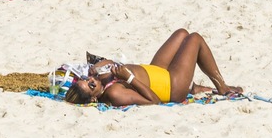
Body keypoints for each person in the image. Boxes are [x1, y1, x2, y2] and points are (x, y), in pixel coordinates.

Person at [63, 30, 241, 105]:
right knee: (195, 39)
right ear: (94, 98)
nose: (92, 80)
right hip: (171, 86)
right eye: (91, 85)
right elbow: (153, 101)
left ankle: (194, 87)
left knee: (181, 33)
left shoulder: (100, 79)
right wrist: (129, 78)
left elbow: (110, 62)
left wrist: (98, 67)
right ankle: (222, 87)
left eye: (86, 79)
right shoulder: (114, 94)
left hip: (155, 71)